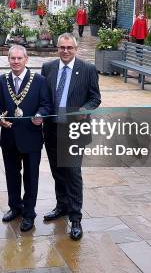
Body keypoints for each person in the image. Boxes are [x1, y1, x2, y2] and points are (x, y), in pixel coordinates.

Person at [41, 33, 101, 240]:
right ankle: (62, 206)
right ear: (57, 48)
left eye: (69, 48)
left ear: (76, 49)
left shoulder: (87, 69)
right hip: (52, 129)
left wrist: (85, 108)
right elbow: (44, 98)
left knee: (73, 174)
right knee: (57, 171)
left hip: (75, 131)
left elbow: (95, 98)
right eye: (62, 47)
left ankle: (76, 219)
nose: (65, 51)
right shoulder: (48, 68)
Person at [0, 45, 52, 232]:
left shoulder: (39, 80)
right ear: (8, 60)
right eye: (12, 58)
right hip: (9, 137)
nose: (16, 62)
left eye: (19, 58)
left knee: (31, 177)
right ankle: (15, 207)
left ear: (26, 59)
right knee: (11, 174)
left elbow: (46, 104)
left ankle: (29, 213)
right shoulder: (1, 81)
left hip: (31, 137)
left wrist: (41, 114)